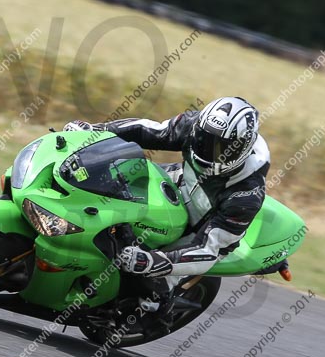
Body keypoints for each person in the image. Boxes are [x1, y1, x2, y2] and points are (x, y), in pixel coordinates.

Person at [64, 96, 269, 282]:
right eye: (204, 141)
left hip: (204, 226)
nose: (208, 150)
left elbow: (209, 249)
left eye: (221, 148)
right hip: (180, 182)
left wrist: (152, 261)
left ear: (242, 147)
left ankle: (153, 314)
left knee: (153, 282)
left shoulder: (246, 195)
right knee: (115, 178)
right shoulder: (196, 125)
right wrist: (96, 131)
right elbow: (150, 130)